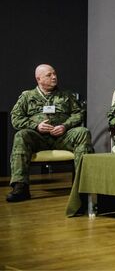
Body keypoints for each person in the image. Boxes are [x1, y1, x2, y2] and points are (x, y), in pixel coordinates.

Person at [7, 64, 94, 202]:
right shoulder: (27, 96)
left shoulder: (66, 96)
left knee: (82, 132)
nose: (54, 77)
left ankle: (82, 185)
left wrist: (65, 126)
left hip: (62, 137)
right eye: (49, 75)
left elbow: (79, 113)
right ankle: (20, 187)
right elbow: (16, 118)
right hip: (38, 138)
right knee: (21, 135)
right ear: (38, 79)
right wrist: (36, 126)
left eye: (54, 74)